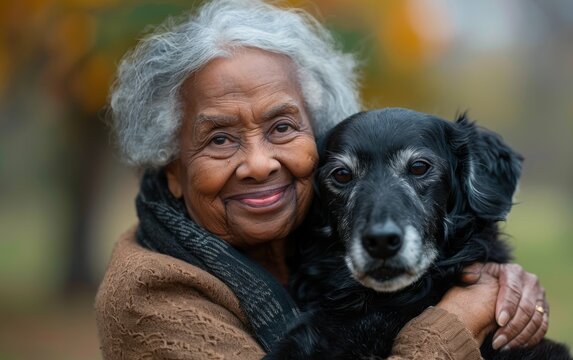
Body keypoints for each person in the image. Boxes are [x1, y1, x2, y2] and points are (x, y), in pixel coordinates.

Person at [95, 1, 549, 359]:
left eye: (281, 127)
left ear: (315, 137)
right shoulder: (149, 295)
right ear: (173, 171)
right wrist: (459, 319)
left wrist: (501, 286)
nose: (258, 163)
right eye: (219, 138)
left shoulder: (305, 232)